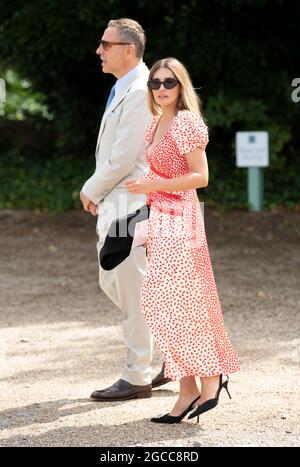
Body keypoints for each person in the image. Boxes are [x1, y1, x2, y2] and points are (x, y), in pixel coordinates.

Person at [125, 57, 240, 423]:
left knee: (180, 302)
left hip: (182, 218)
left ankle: (208, 377)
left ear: (181, 86)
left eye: (169, 83)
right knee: (161, 304)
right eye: (155, 83)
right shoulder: (155, 122)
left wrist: (153, 185)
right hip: (159, 220)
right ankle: (188, 387)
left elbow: (201, 176)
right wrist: (146, 214)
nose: (161, 89)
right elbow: (156, 175)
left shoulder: (187, 122)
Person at [80, 19, 170, 402]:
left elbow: (124, 156)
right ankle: (174, 352)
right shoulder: (124, 87)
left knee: (131, 288)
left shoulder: (139, 91)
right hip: (118, 201)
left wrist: (91, 188)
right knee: (115, 282)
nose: (99, 51)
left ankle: (137, 375)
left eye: (106, 44)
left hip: (129, 202)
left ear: (128, 50)